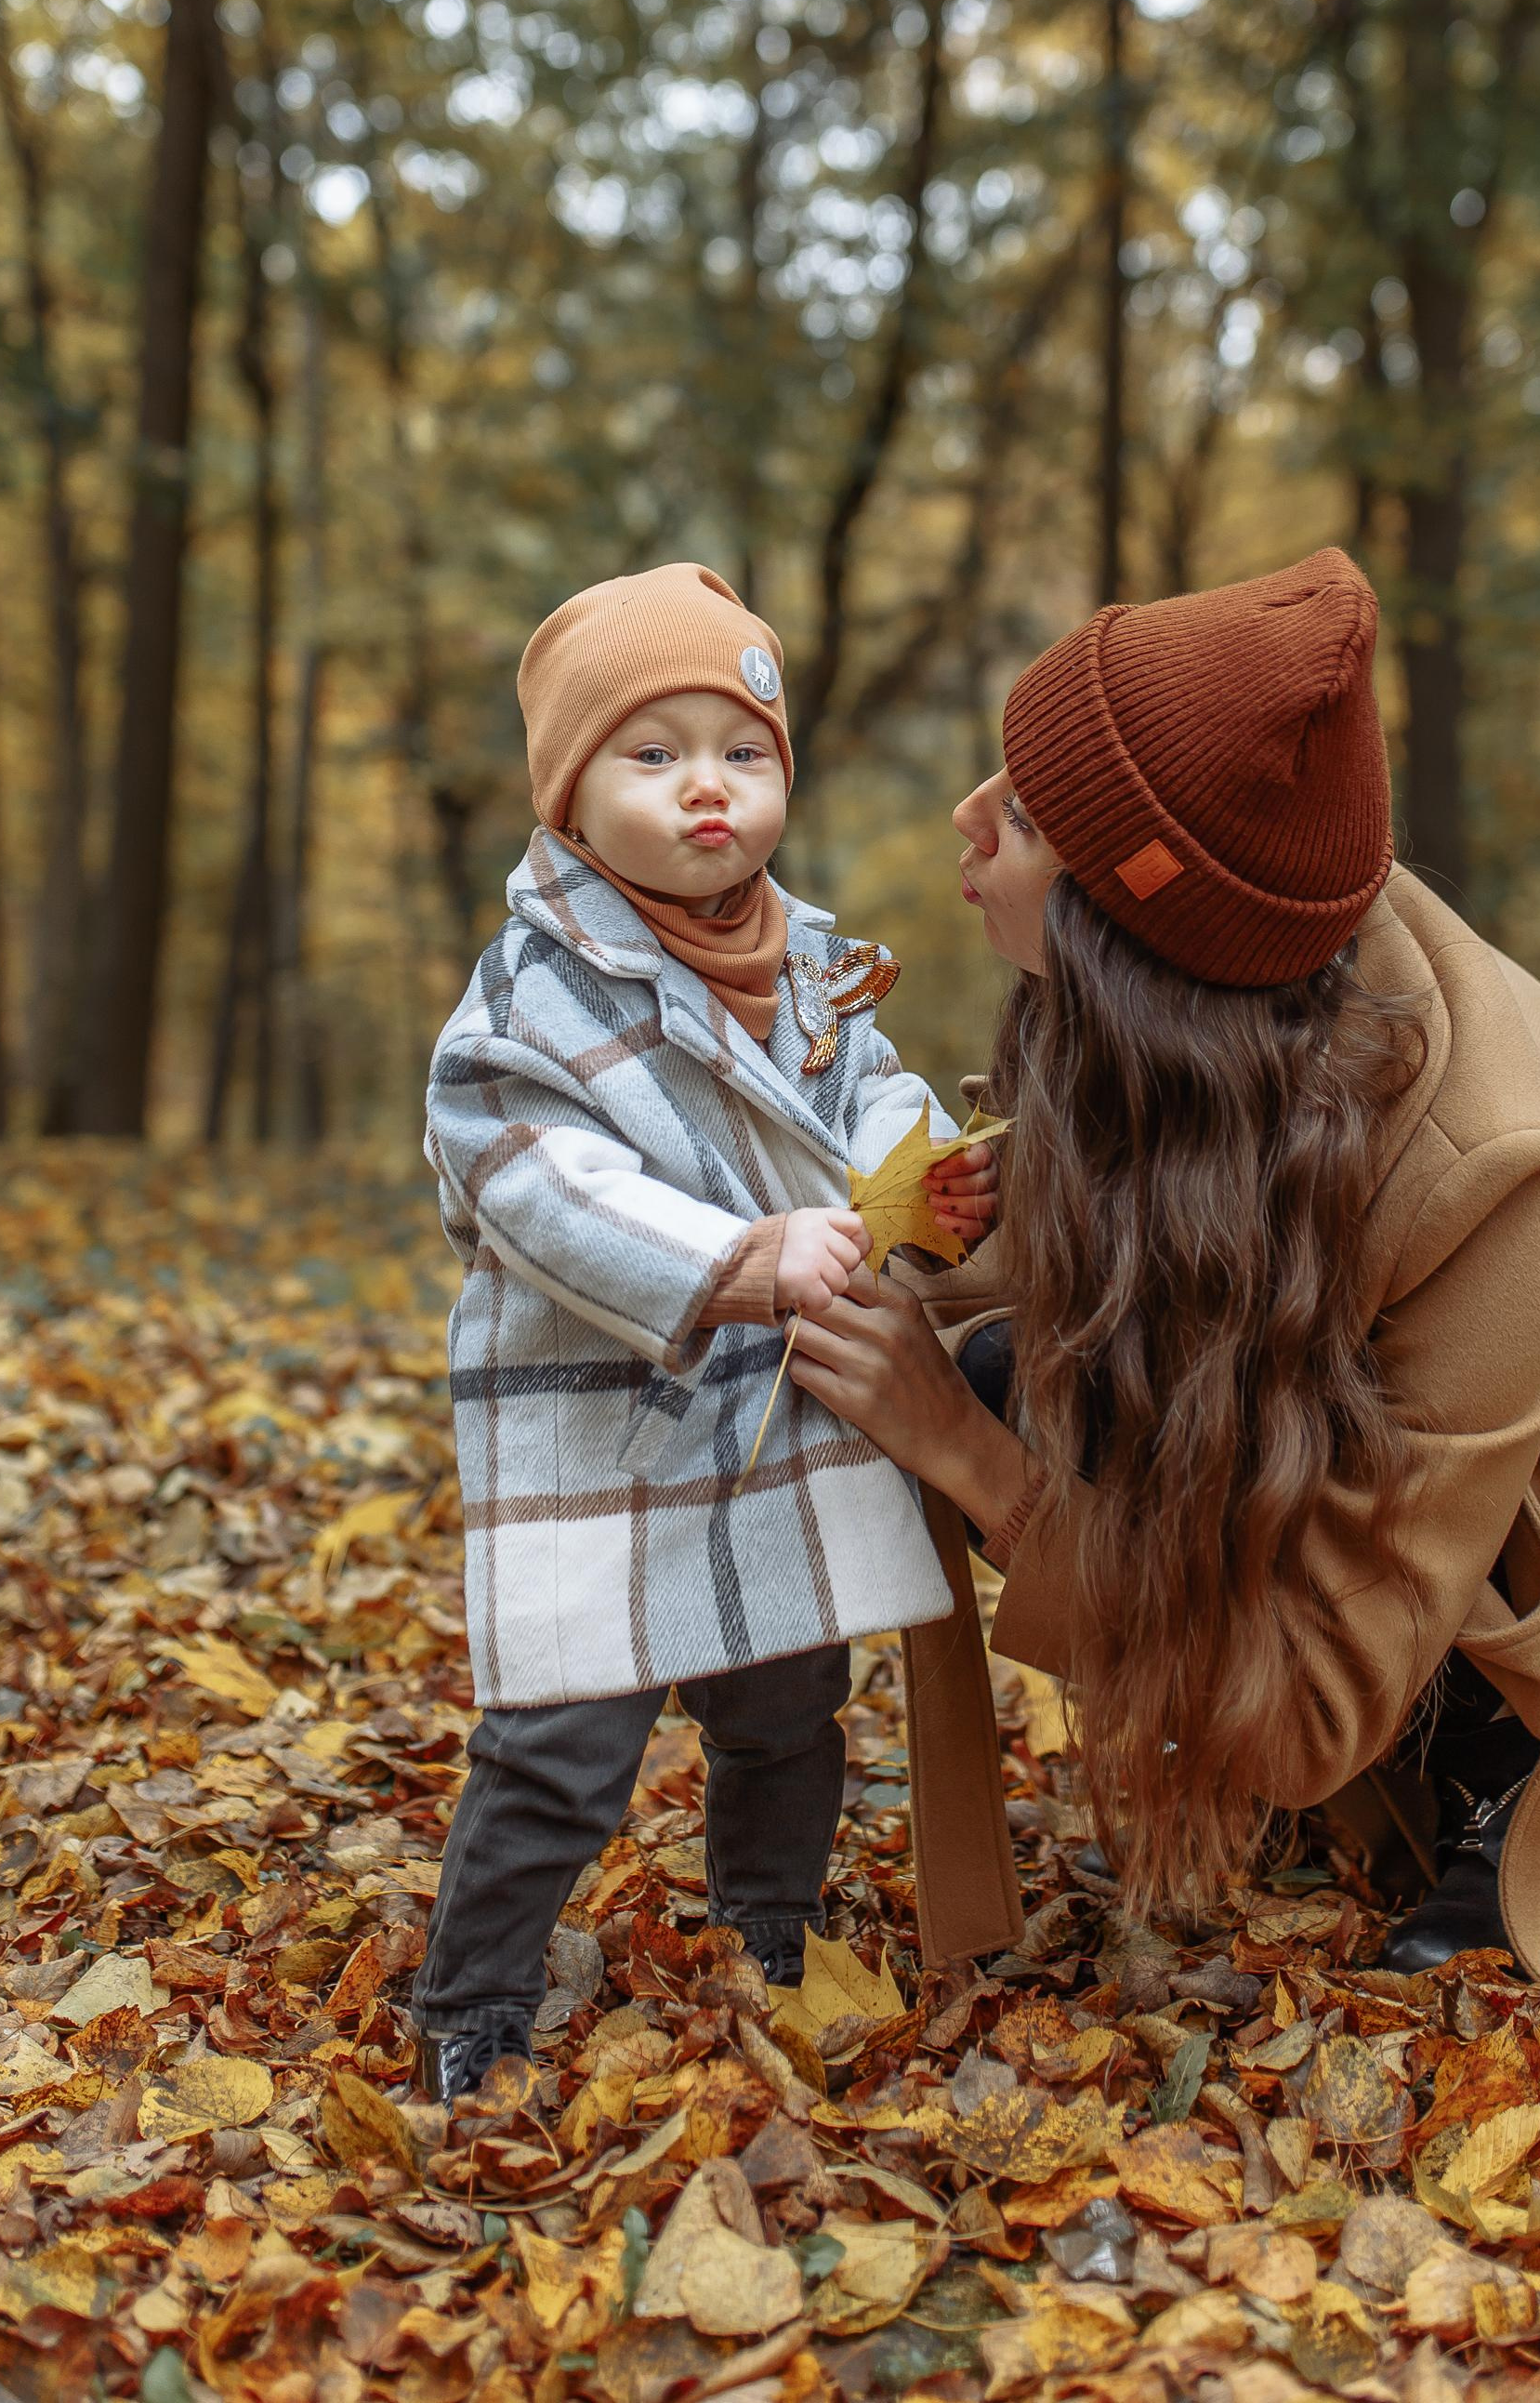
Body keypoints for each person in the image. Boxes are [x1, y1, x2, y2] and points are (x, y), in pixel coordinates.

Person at [787, 548, 1540, 1974]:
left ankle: (1538, 1794)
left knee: (1006, 1409)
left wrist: (974, 1466)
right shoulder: (1218, 979)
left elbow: (1316, 1700)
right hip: (1377, 1361)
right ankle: (1344, 1761)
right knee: (1016, 1369)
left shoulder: (1496, 1173)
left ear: (1124, 936)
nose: (967, 822)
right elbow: (970, 1278)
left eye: (1021, 816)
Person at [415, 562, 994, 2098]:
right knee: (563, 1737)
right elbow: (535, 1182)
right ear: (570, 795)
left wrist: (924, 1164)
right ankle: (470, 2001)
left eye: (741, 753)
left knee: (785, 1691)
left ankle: (771, 1925)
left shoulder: (801, 958)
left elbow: (865, 1090)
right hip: (610, 1409)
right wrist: (737, 1255)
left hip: (770, 1415)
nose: (707, 793)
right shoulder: (528, 994)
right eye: (652, 756)